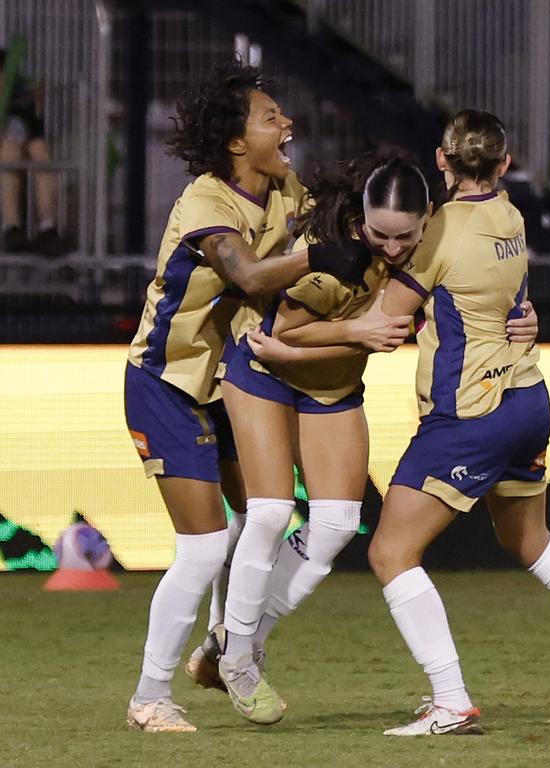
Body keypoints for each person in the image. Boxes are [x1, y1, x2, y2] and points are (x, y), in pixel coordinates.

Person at [364, 109, 550, 737]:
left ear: (441, 162)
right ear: (503, 165)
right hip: (528, 399)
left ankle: (451, 701)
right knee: (529, 541)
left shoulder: (437, 229)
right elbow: (507, 302)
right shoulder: (512, 215)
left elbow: (386, 322)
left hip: (471, 414)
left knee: (392, 552)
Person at [123, 59, 372, 734]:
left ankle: (224, 646)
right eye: (270, 116)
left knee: (265, 519)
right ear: (237, 142)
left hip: (227, 380)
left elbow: (344, 226)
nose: (286, 122)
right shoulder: (207, 203)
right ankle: (150, 697)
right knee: (206, 546)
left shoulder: (284, 186)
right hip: (166, 384)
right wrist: (321, 256)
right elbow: (252, 273)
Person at [211, 149, 431, 725]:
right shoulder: (336, 258)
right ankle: (237, 659)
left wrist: (520, 316)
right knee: (268, 512)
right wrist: (355, 331)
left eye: (403, 236)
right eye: (378, 234)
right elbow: (285, 333)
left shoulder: (434, 251)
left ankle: (236, 639)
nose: (390, 247)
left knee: (334, 525)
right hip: (265, 373)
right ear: (360, 218)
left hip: (331, 390)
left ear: (428, 217)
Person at [0, 46, 65, 256]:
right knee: (9, 153)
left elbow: (34, 133)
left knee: (40, 153)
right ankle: (11, 227)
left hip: (21, 143)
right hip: (9, 151)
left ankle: (47, 228)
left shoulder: (18, 102)